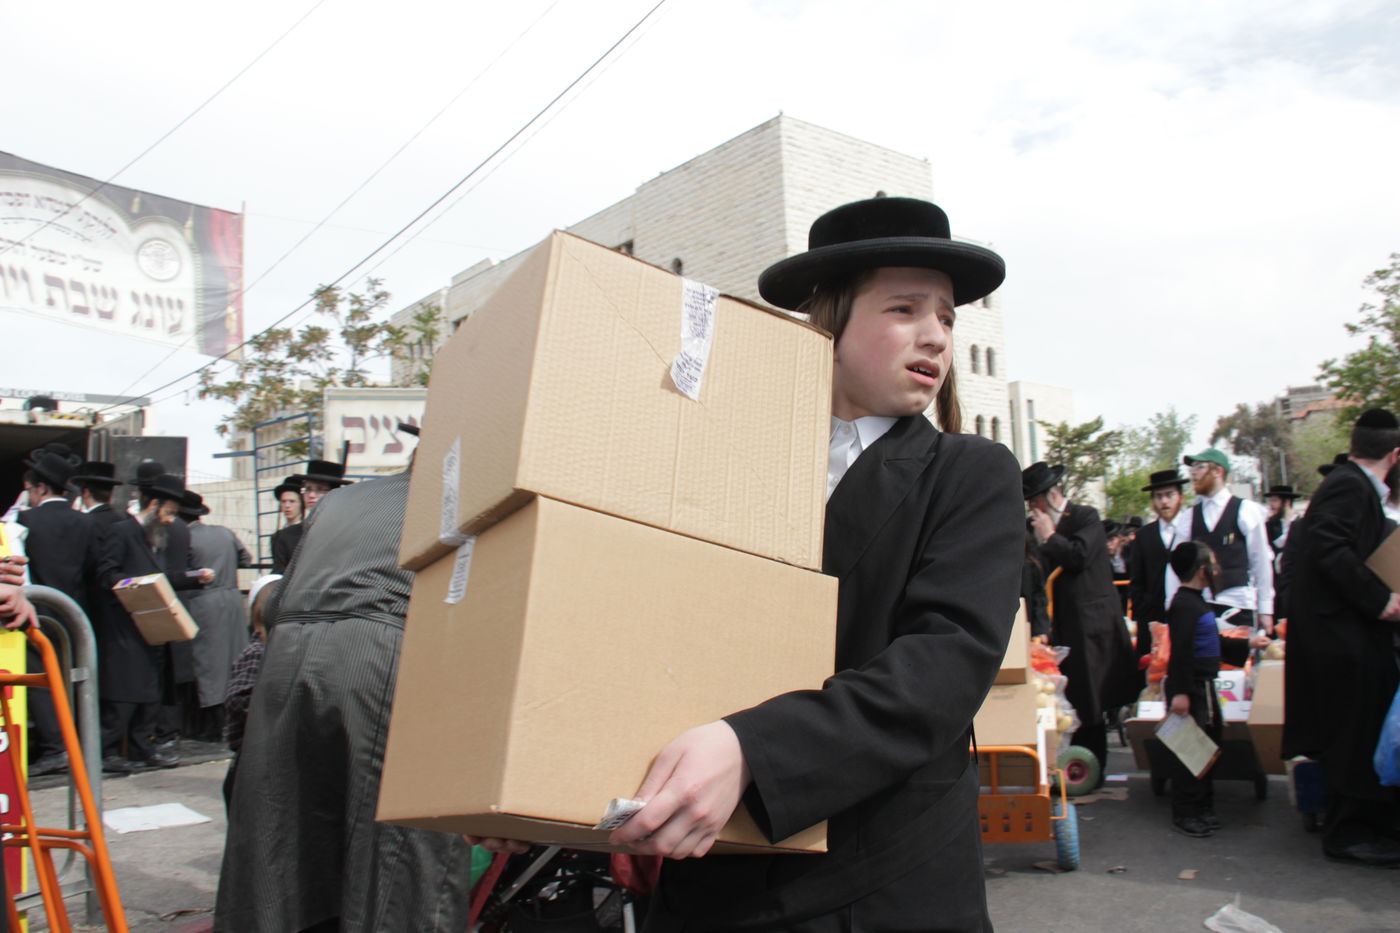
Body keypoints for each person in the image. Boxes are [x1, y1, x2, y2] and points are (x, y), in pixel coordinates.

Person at [477, 196, 1024, 929]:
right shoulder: (725, 459)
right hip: (710, 874)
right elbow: (638, 632)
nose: (935, 335)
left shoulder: (969, 470)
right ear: (829, 323)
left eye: (949, 317)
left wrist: (753, 750)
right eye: (904, 309)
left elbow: (941, 670)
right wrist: (539, 783)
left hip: (877, 878)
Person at [215, 468, 474, 932]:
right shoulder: (476, 490)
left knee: (282, 846)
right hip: (384, 655)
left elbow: (275, 605)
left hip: (288, 659)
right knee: (399, 863)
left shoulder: (340, 502)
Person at [1282, 408, 1400, 867]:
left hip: (1343, 636)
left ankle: (1361, 823)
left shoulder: (1352, 486)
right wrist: (1381, 600)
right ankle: (1347, 833)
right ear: (1395, 454)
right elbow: (1330, 548)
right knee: (1353, 734)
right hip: (1340, 639)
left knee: (1355, 731)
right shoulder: (1350, 486)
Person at [1024, 461, 1138, 780]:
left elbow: (1080, 556)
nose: (1033, 507)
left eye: (1036, 500)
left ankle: (1094, 767)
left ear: (1052, 494)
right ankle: (1070, 764)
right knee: (1070, 696)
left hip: (1092, 623)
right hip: (1058, 624)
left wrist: (1050, 536)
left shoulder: (1085, 516)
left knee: (1092, 697)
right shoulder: (1033, 526)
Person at [95, 474, 212, 772]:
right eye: (169, 513)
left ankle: (140, 746)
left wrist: (192, 578)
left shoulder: (155, 540)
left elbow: (161, 581)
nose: (172, 520)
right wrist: (134, 587)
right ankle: (108, 750)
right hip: (125, 628)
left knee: (149, 692)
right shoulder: (121, 532)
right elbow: (107, 575)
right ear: (154, 505)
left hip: (151, 630)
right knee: (125, 691)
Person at [1164, 541, 1269, 837]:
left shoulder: (1196, 602)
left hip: (1204, 688)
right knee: (1190, 754)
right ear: (1201, 570)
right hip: (1192, 689)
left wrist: (1247, 643)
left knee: (1206, 751)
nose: (1218, 569)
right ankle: (1186, 812)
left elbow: (1213, 644)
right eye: (1212, 563)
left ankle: (1203, 806)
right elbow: (1181, 653)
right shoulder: (1184, 605)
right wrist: (1181, 693)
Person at [17, 446, 100, 776]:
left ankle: (55, 747)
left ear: (39, 488)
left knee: (40, 679)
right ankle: (77, 742)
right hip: (76, 614)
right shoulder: (85, 523)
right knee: (76, 677)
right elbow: (94, 569)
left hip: (38, 611)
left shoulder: (25, 520)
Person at [1177, 448, 1275, 637]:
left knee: (1238, 665)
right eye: (1192, 468)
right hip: (1201, 605)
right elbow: (1177, 568)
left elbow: (1261, 562)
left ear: (1218, 471)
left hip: (1239, 604)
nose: (1193, 473)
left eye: (1199, 467)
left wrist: (1265, 608)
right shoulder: (1189, 517)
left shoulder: (1246, 511)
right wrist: (1173, 604)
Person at [177, 491, 251, 740]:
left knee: (208, 665)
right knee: (234, 658)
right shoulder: (224, 532)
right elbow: (246, 559)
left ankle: (211, 726)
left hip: (203, 603)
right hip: (232, 600)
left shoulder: (185, 538)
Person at [1127, 468, 1192, 660]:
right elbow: (1136, 578)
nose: (1164, 501)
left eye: (1169, 495)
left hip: (1186, 614)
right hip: (1152, 617)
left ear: (1180, 496)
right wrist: (1144, 611)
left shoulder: (1190, 529)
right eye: (1158, 496)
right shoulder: (1143, 535)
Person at [268, 476, 305, 574]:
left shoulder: (307, 531)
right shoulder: (277, 536)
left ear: (301, 504)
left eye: (292, 501)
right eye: (283, 501)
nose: (287, 506)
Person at [1263, 484, 1301, 556]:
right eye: (1270, 501)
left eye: (1274, 501)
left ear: (1287, 502)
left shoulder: (1300, 523)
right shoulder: (1270, 525)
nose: (1271, 504)